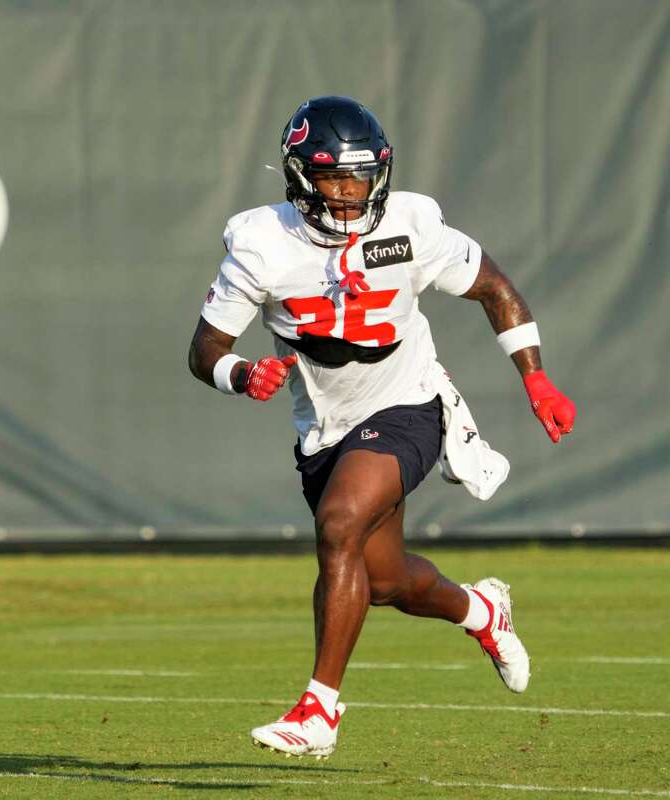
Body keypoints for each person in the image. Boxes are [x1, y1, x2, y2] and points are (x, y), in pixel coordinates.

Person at [187, 96, 576, 759]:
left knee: (338, 524)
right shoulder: (260, 244)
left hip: (411, 401)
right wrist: (241, 375)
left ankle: (319, 711)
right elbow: (204, 351)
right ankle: (481, 611)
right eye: (336, 179)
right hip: (325, 427)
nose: (351, 193)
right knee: (385, 579)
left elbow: (495, 288)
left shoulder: (411, 224)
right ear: (302, 178)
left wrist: (534, 377)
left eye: (362, 177)